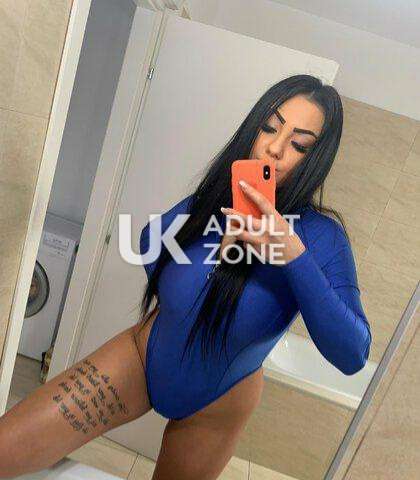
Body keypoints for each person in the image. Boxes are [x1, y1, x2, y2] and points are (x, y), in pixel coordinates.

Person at [0, 75, 371, 480]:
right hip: (142, 357)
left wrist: (293, 256)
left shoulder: (321, 237)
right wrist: (210, 238)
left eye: (299, 145)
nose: (275, 148)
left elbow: (352, 355)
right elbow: (149, 244)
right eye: (269, 127)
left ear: (316, 158)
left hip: (218, 401)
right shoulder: (216, 198)